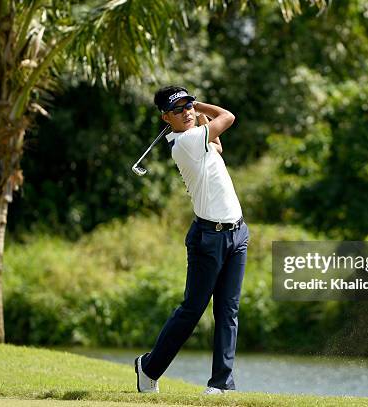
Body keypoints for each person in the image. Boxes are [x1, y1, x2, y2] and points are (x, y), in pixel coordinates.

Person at [135, 86, 249, 395]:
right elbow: (228, 116)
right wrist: (200, 106)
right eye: (179, 109)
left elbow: (219, 145)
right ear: (165, 118)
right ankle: (148, 369)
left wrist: (196, 116)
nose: (186, 111)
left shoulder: (197, 136)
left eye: (188, 105)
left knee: (228, 311)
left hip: (237, 232)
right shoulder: (185, 143)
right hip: (208, 239)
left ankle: (221, 385)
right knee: (192, 310)